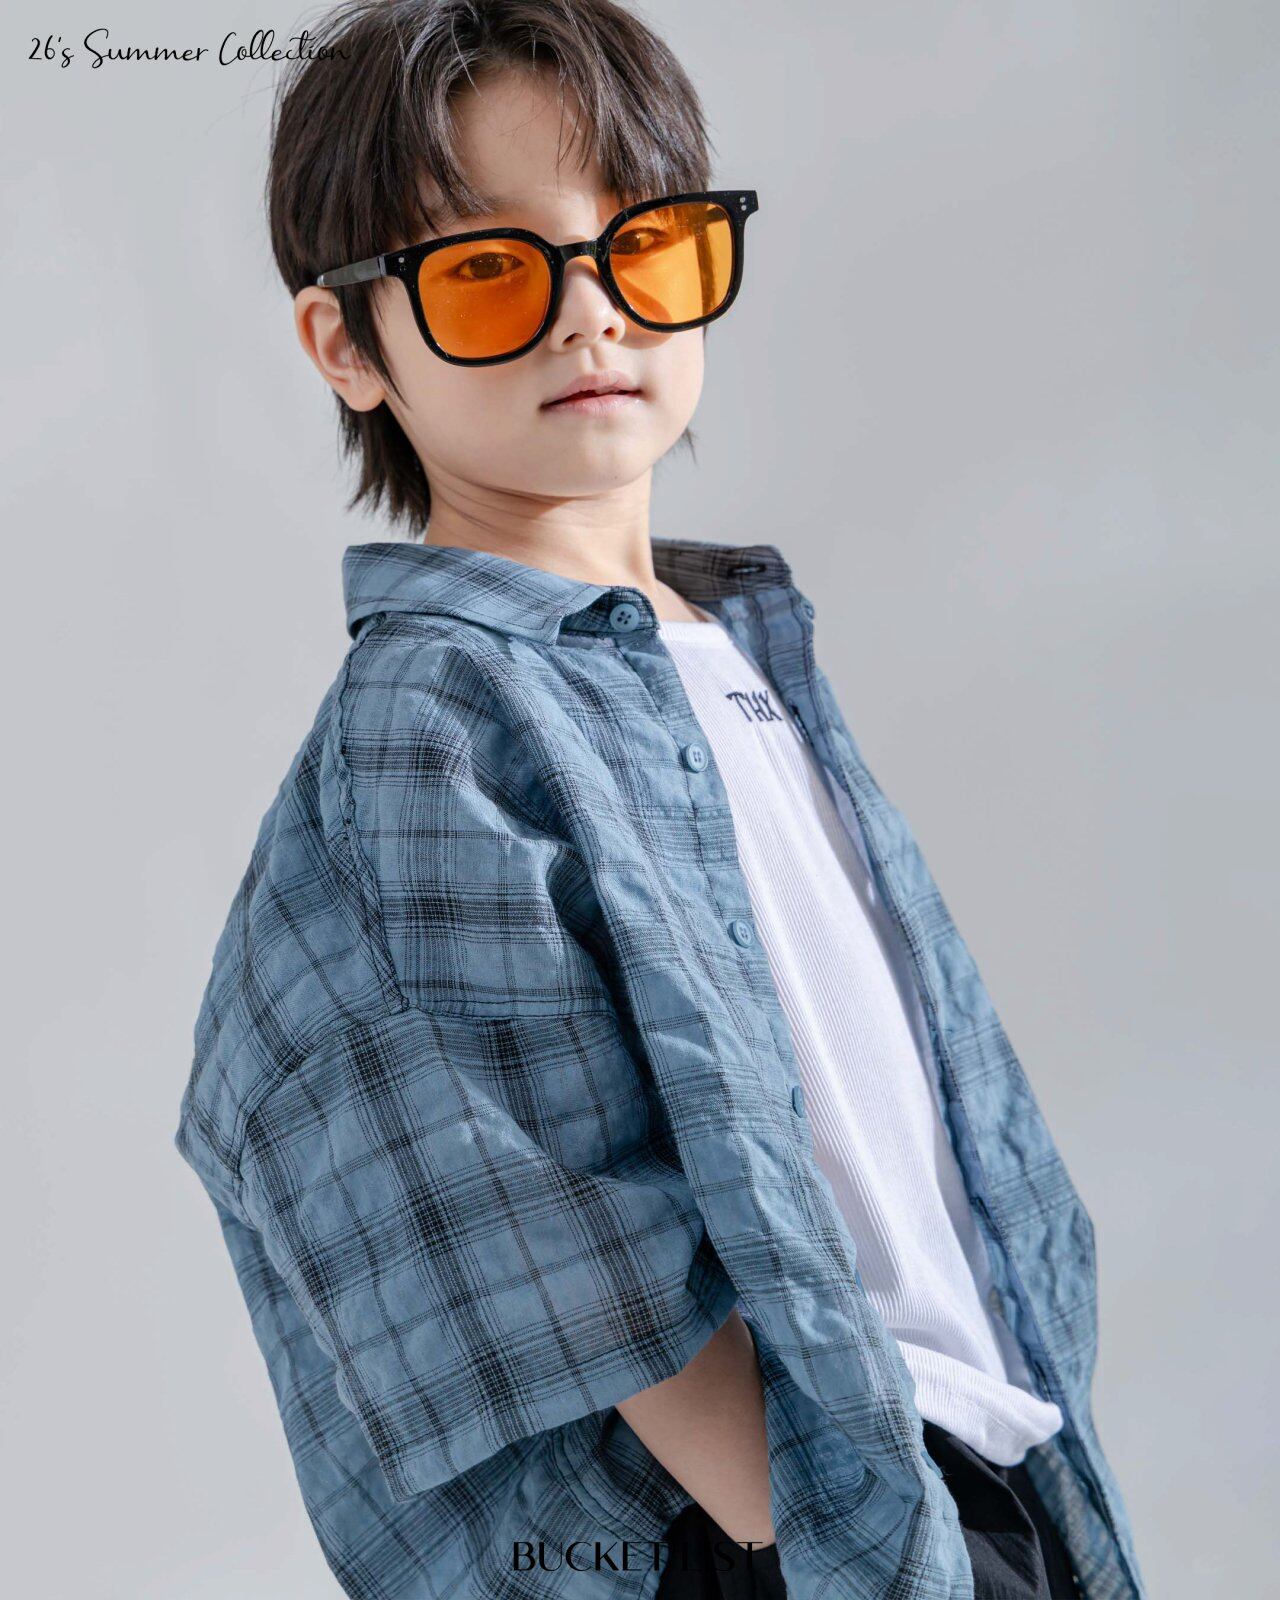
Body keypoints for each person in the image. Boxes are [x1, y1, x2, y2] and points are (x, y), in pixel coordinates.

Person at [173, 3, 1146, 1597]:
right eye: (489, 270)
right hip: (798, 1525)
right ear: (346, 343)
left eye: (642, 246)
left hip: (964, 1460)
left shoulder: (732, 646)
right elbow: (550, 1242)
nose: (591, 315)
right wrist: (821, 1531)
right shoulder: (438, 714)